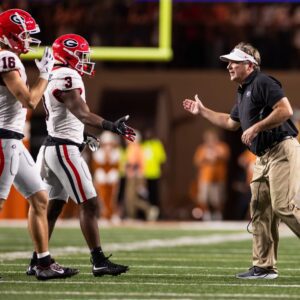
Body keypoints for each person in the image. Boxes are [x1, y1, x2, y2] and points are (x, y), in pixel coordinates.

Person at [183, 42, 300, 279]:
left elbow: (285, 110)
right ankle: (264, 267)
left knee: (284, 207)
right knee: (260, 211)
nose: (229, 66)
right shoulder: (244, 90)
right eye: (228, 62)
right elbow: (230, 122)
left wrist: (256, 127)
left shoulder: (262, 82)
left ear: (250, 64)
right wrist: (202, 111)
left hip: (281, 150)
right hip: (263, 156)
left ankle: (264, 266)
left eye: (234, 61)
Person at [27, 33, 135, 277]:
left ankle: (37, 260)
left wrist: (83, 135)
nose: (85, 60)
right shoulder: (67, 74)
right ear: (69, 55)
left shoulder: (54, 75)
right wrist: (111, 125)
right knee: (89, 203)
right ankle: (98, 260)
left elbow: (65, 116)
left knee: (53, 208)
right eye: (81, 55)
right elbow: (82, 113)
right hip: (64, 150)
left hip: (55, 146)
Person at [0, 9, 78, 280]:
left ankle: (42, 263)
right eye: (23, 34)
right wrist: (45, 74)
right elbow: (30, 101)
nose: (28, 40)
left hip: (13, 140)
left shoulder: (10, 57)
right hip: (4, 140)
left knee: (40, 198)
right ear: (8, 36)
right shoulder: (6, 57)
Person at [193, 129, 230, 220]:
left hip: (218, 177)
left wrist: (216, 153)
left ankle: (218, 215)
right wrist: (206, 157)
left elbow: (226, 156)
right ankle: (207, 215)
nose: (211, 140)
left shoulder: (221, 146)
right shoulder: (202, 148)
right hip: (205, 178)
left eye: (213, 138)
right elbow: (197, 161)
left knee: (217, 199)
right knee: (204, 198)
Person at [90, 131, 122, 223]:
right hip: (101, 179)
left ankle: (113, 214)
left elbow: (116, 166)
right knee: (102, 197)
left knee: (113, 197)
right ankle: (104, 215)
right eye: (106, 144)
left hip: (112, 179)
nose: (108, 146)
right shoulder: (97, 153)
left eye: (110, 144)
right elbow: (96, 167)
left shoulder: (116, 153)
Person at [141, 129, 166, 209]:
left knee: (155, 193)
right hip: (144, 174)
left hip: (155, 173)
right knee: (144, 194)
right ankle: (147, 211)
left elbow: (162, 159)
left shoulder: (157, 144)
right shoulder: (143, 145)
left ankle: (156, 210)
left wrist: (163, 171)